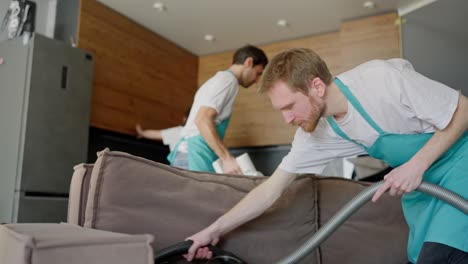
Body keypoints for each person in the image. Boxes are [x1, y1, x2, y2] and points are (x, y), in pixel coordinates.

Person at [184, 48, 468, 264]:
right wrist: (213, 230)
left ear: (317, 87)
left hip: (460, 167)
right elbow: (270, 190)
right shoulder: (315, 133)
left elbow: (463, 109)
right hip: (424, 190)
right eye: (280, 110)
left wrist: (417, 164)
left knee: (440, 255)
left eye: (290, 106)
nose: (287, 119)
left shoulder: (380, 80)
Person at [167, 45, 268, 174]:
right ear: (249, 62)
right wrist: (227, 158)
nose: (257, 80)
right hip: (194, 153)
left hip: (192, 153)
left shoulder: (219, 80)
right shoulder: (227, 81)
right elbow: (202, 119)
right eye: (258, 73)